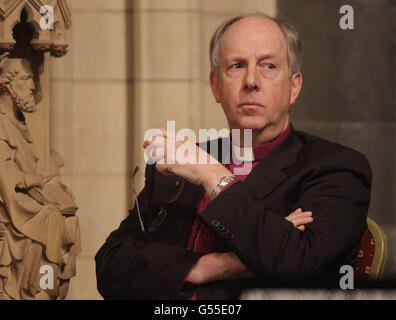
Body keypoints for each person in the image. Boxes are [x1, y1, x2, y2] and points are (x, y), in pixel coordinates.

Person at [95, 13, 371, 300]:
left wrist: (212, 175)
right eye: (237, 66)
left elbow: (296, 264)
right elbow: (111, 266)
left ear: (294, 86)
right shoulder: (176, 167)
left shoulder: (337, 167)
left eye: (269, 66)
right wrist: (221, 266)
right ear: (216, 86)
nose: (251, 81)